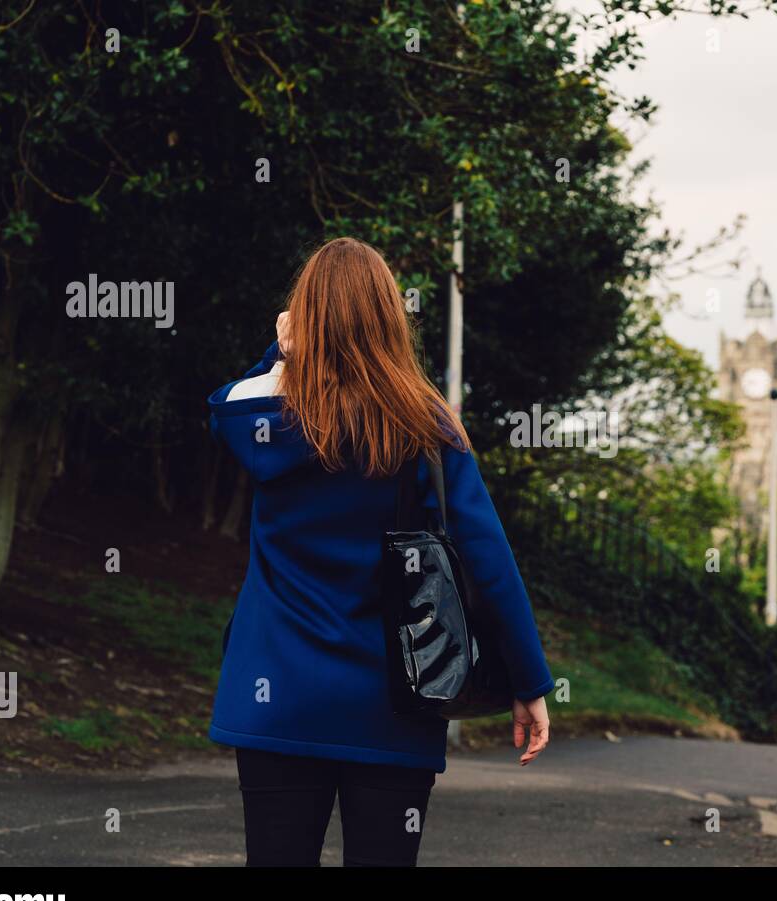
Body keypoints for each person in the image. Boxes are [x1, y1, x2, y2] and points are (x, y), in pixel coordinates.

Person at [207, 237, 553, 866]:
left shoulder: (259, 418)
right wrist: (530, 681)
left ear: (301, 323)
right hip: (394, 701)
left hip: (275, 697)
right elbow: (489, 561)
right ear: (392, 322)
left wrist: (281, 352)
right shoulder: (428, 427)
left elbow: (241, 396)